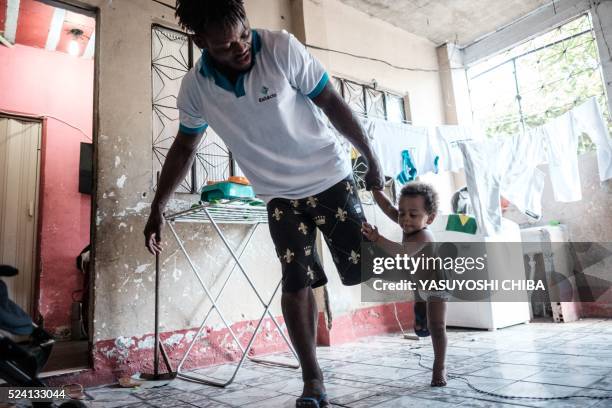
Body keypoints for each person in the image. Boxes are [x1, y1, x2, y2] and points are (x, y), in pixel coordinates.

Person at [143, 1, 384, 406]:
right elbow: (185, 146)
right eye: (225, 45)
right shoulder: (196, 88)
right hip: (278, 196)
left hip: (329, 176)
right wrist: (158, 208)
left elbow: (331, 102)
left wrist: (371, 157)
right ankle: (312, 380)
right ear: (200, 42)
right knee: (295, 280)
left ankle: (436, 297)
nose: (240, 47)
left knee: (367, 268)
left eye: (243, 33)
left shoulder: (280, 48)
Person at [362, 182, 448, 386]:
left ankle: (439, 367)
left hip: (437, 284)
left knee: (437, 326)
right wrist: (376, 188)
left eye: (413, 214)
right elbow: (388, 207)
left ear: (430, 218)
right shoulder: (406, 221)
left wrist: (377, 238)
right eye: (402, 213)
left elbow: (403, 252)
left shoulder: (425, 235)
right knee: (421, 316)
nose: (405, 219)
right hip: (418, 282)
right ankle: (420, 307)